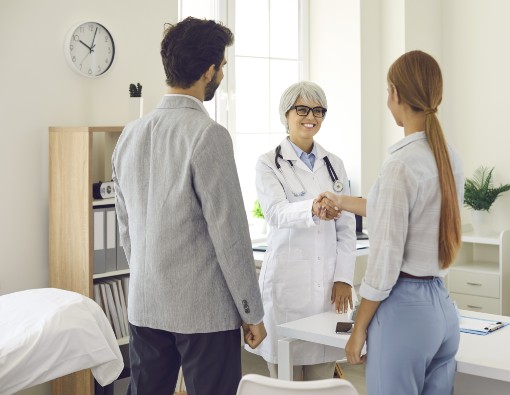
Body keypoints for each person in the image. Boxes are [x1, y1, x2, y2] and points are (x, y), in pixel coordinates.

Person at [112, 17, 266, 395]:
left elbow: (126, 228)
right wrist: (252, 313)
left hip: (145, 303)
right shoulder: (208, 135)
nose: (222, 75)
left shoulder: (130, 135)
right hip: (205, 314)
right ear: (209, 70)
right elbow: (230, 235)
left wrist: (150, 275)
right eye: (223, 67)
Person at [318, 50, 464, 395]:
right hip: (442, 308)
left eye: (387, 91)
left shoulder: (401, 163)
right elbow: (397, 211)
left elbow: (384, 264)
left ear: (397, 94)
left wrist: (358, 329)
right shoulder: (447, 156)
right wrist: (341, 201)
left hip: (405, 312)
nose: (387, 100)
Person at [246, 81, 356, 381]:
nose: (312, 116)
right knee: (285, 382)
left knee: (322, 380)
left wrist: (344, 278)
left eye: (318, 110)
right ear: (286, 113)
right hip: (287, 290)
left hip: (326, 293)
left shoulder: (334, 164)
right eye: (303, 109)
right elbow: (276, 212)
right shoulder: (269, 164)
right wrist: (313, 208)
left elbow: (346, 227)